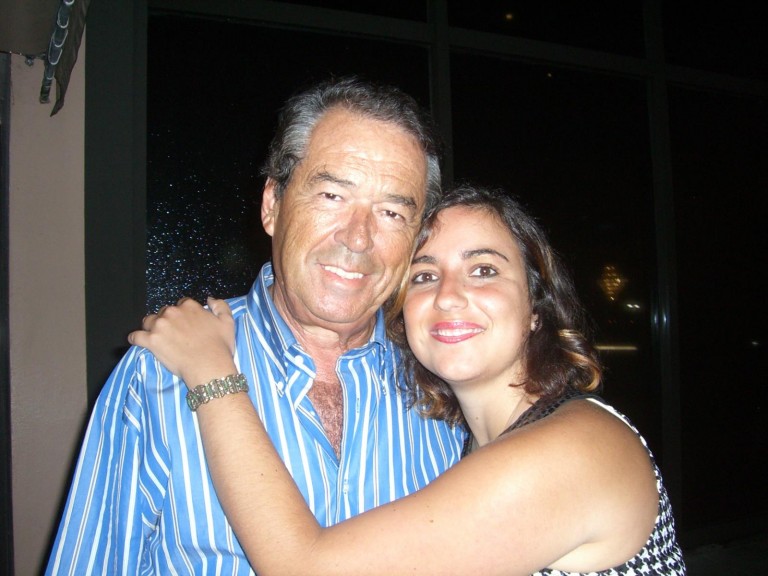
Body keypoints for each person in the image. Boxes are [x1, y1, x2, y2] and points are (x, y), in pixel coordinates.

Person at [131, 184, 686, 575]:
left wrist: (210, 371)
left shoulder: (578, 449)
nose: (448, 295)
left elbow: (305, 567)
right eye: (424, 275)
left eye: (484, 269)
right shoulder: (457, 448)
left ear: (537, 307)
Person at [45, 77, 466, 575]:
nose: (358, 238)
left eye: (392, 212)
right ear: (272, 205)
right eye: (332, 195)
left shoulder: (444, 390)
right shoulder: (157, 375)